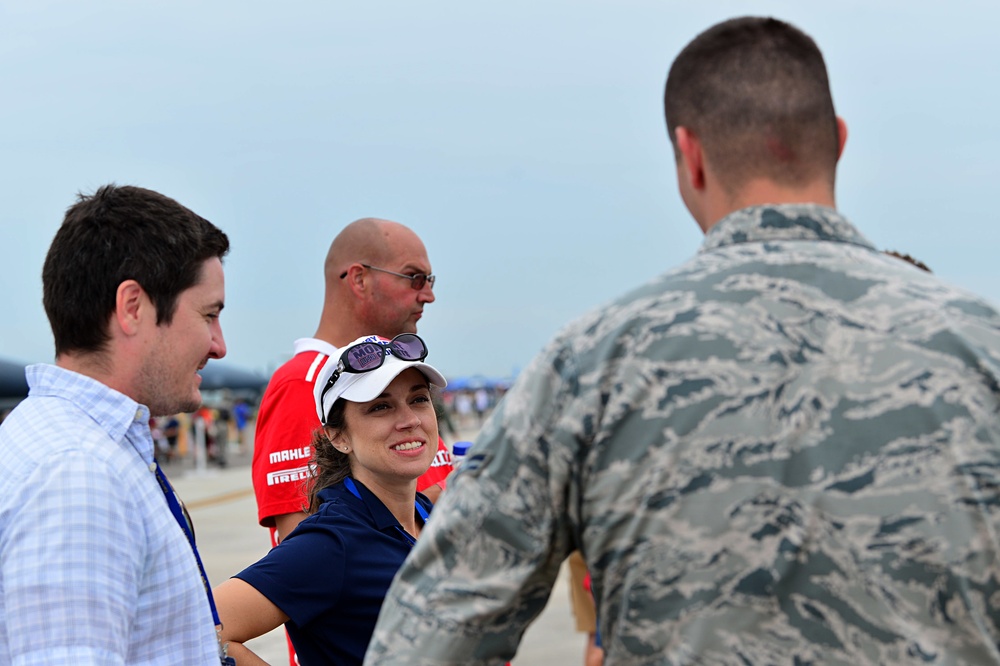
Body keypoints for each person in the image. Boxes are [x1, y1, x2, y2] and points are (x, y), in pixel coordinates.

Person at [365, 16, 1000, 664]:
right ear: (837, 143)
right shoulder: (982, 347)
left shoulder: (593, 362)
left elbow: (429, 636)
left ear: (689, 156)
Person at [0, 184, 231, 664]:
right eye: (209, 315)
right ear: (133, 308)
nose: (218, 345)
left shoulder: (72, 444)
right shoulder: (78, 475)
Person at [215, 333, 445, 665]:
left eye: (419, 399)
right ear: (338, 437)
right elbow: (205, 627)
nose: (409, 420)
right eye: (380, 406)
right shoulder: (333, 543)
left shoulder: (426, 514)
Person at [252, 218, 451, 547]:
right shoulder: (303, 383)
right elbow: (309, 550)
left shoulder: (397, 376)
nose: (428, 295)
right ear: (359, 279)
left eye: (419, 400)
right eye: (415, 278)